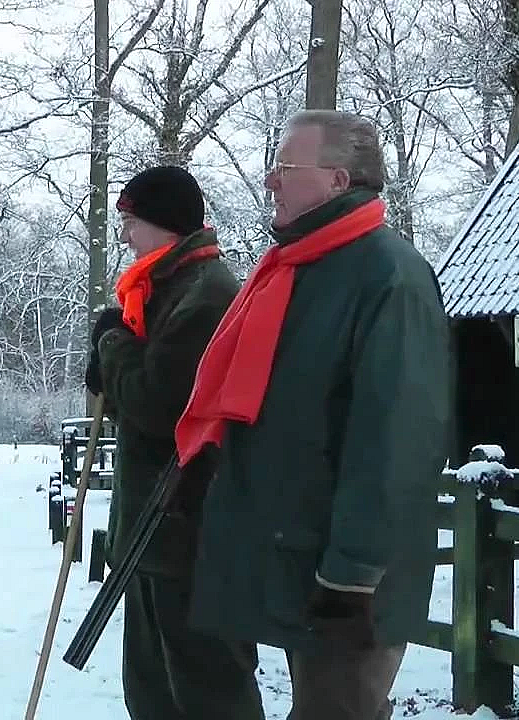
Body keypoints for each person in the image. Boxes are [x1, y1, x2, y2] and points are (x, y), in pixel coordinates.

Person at [174, 110, 452, 720]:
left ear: (337, 180)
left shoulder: (390, 277)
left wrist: (354, 576)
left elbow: (397, 442)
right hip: (302, 556)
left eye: (285, 166)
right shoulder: (300, 272)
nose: (270, 180)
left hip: (352, 577)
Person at [84, 165, 263, 719]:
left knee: (206, 692)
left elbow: (159, 406)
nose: (125, 236)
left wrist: (112, 346)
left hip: (189, 529)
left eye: (132, 223)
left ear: (165, 224)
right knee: (154, 690)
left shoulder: (205, 296)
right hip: (154, 529)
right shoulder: (164, 289)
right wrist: (115, 358)